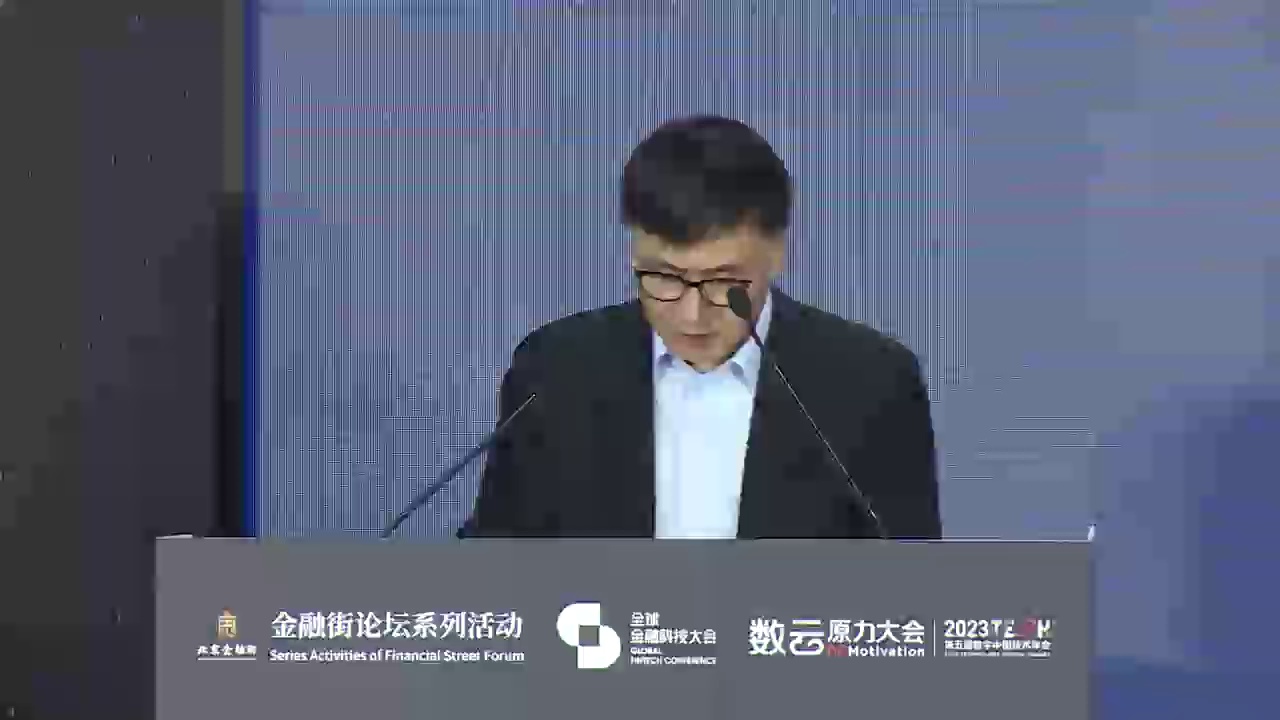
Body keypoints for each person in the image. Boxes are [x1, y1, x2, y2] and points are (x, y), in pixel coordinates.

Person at [461, 114, 940, 539]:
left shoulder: (870, 382)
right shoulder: (555, 370)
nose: (691, 315)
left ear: (777, 253)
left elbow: (907, 582)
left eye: (723, 282)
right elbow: (498, 560)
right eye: (663, 278)